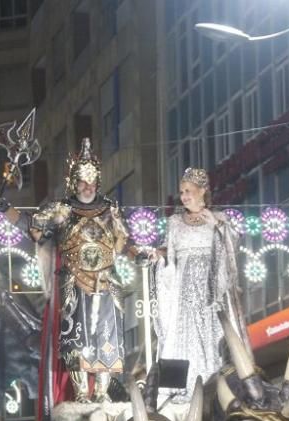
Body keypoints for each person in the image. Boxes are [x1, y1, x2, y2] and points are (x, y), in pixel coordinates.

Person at [31, 138, 130, 403]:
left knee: (106, 338)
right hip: (74, 282)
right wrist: (49, 223)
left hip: (106, 281)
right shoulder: (62, 208)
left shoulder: (110, 209)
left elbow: (121, 242)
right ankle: (82, 393)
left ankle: (101, 391)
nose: (88, 187)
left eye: (92, 182)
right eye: (82, 182)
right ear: (74, 183)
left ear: (98, 182)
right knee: (77, 338)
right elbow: (36, 231)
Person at [154, 167, 246, 402]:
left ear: (202, 191)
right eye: (182, 192)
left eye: (188, 191)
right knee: (181, 339)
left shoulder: (220, 219)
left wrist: (217, 224)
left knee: (214, 338)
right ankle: (177, 393)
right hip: (184, 296)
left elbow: (232, 250)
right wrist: (160, 257)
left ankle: (219, 390)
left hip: (211, 294)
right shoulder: (174, 222)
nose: (184, 196)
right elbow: (170, 256)